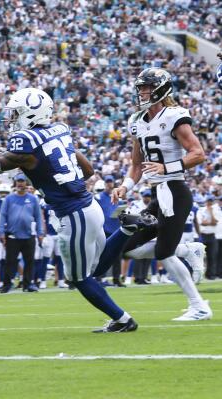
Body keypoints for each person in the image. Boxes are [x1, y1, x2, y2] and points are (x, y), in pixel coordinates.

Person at [0, 88, 154, 332]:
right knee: (96, 269)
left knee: (78, 278)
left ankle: (123, 320)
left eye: (16, 113)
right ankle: (126, 230)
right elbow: (88, 171)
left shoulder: (27, 142)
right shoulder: (59, 130)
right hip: (90, 206)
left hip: (73, 215)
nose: (12, 119)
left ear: (31, 114)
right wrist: (46, 175)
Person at [110, 68, 212, 321]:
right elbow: (136, 164)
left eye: (148, 88)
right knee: (127, 248)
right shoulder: (137, 121)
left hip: (175, 191)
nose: (143, 92)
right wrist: (125, 187)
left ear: (162, 89)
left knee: (164, 253)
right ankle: (188, 250)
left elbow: (198, 153)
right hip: (158, 194)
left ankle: (199, 307)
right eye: (141, 88)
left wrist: (167, 167)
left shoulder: (175, 116)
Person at [0, 174, 43, 293]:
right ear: (15, 183)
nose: (20, 184)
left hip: (28, 235)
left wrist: (40, 233)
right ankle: (7, 284)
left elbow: (38, 217)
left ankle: (27, 284)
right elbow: (3, 216)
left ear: (26, 183)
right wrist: (1, 232)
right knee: (10, 261)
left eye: (22, 181)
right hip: (13, 235)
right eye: (18, 181)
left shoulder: (33, 199)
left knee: (29, 262)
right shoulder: (9, 199)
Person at [94, 175, 125, 287]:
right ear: (104, 184)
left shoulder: (117, 197)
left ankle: (116, 279)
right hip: (104, 229)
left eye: (110, 182)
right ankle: (99, 278)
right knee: (102, 255)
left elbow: (122, 212)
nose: (109, 184)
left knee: (117, 255)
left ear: (113, 183)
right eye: (107, 182)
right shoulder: (99, 197)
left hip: (116, 229)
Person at [197, 195, 220, 280]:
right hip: (203, 235)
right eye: (208, 201)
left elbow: (215, 222)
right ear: (206, 202)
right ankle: (199, 275)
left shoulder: (215, 211)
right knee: (200, 257)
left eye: (211, 201)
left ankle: (210, 275)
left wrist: (210, 213)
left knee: (212, 256)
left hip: (212, 235)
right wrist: (209, 222)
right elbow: (201, 222)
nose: (210, 203)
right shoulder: (201, 210)